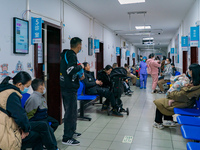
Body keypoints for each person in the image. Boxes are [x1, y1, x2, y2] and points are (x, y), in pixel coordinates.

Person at [0, 71, 59, 150]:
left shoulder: (5, 91)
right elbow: (20, 115)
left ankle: (53, 148)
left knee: (43, 126)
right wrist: (25, 130)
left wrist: (24, 128)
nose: (28, 89)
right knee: (40, 134)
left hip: (10, 124)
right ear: (19, 85)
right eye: (27, 86)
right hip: (7, 130)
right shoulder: (12, 95)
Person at [153, 64, 200, 129]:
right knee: (164, 102)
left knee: (160, 103)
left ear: (192, 71)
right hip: (185, 101)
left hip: (185, 103)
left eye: (189, 70)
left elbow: (183, 95)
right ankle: (168, 119)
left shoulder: (196, 85)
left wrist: (171, 95)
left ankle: (158, 122)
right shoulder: (194, 81)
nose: (188, 71)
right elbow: (184, 94)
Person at [60, 37, 85, 146]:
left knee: (73, 112)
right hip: (69, 89)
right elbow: (70, 70)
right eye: (81, 46)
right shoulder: (71, 55)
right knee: (70, 113)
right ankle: (66, 138)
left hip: (69, 87)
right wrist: (80, 66)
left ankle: (72, 131)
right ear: (79, 46)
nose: (81, 48)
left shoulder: (67, 54)